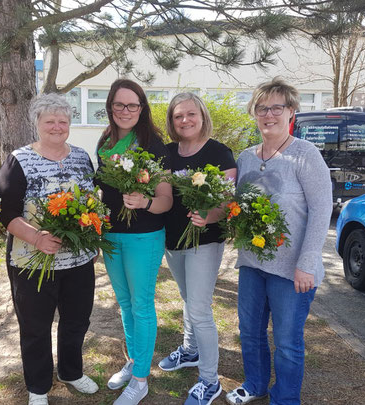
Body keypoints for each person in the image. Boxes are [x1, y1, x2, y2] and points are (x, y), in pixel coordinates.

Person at [225, 77, 333, 405]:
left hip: (293, 270)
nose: (268, 114)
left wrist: (307, 263)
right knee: (251, 333)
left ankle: (284, 399)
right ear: (254, 113)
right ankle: (256, 384)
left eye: (277, 107)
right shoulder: (244, 158)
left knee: (287, 342)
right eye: (262, 108)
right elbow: (237, 207)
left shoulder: (306, 155)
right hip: (252, 265)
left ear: (291, 112)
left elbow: (321, 210)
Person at [0, 93, 99, 405]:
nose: (57, 126)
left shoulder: (82, 158)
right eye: (50, 121)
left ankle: (71, 371)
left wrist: (93, 240)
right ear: (37, 124)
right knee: (35, 327)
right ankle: (38, 387)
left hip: (78, 262)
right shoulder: (19, 160)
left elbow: (92, 204)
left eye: (63, 121)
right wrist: (36, 236)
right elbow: (7, 213)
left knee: (77, 321)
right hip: (32, 262)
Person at [95, 79, 173, 405]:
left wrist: (144, 202)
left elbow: (166, 199)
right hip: (112, 234)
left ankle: (140, 380)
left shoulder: (154, 145)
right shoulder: (104, 140)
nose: (125, 111)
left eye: (132, 105)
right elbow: (104, 190)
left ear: (141, 108)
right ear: (111, 107)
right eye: (119, 105)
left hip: (144, 235)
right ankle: (133, 361)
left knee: (141, 305)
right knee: (124, 304)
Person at [157, 93, 237, 405]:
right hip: (173, 240)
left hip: (205, 242)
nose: (185, 121)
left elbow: (229, 200)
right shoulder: (166, 153)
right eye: (178, 116)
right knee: (188, 299)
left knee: (201, 309)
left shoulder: (219, 152)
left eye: (191, 114)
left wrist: (211, 214)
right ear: (172, 121)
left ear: (202, 116)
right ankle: (190, 351)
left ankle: (209, 380)